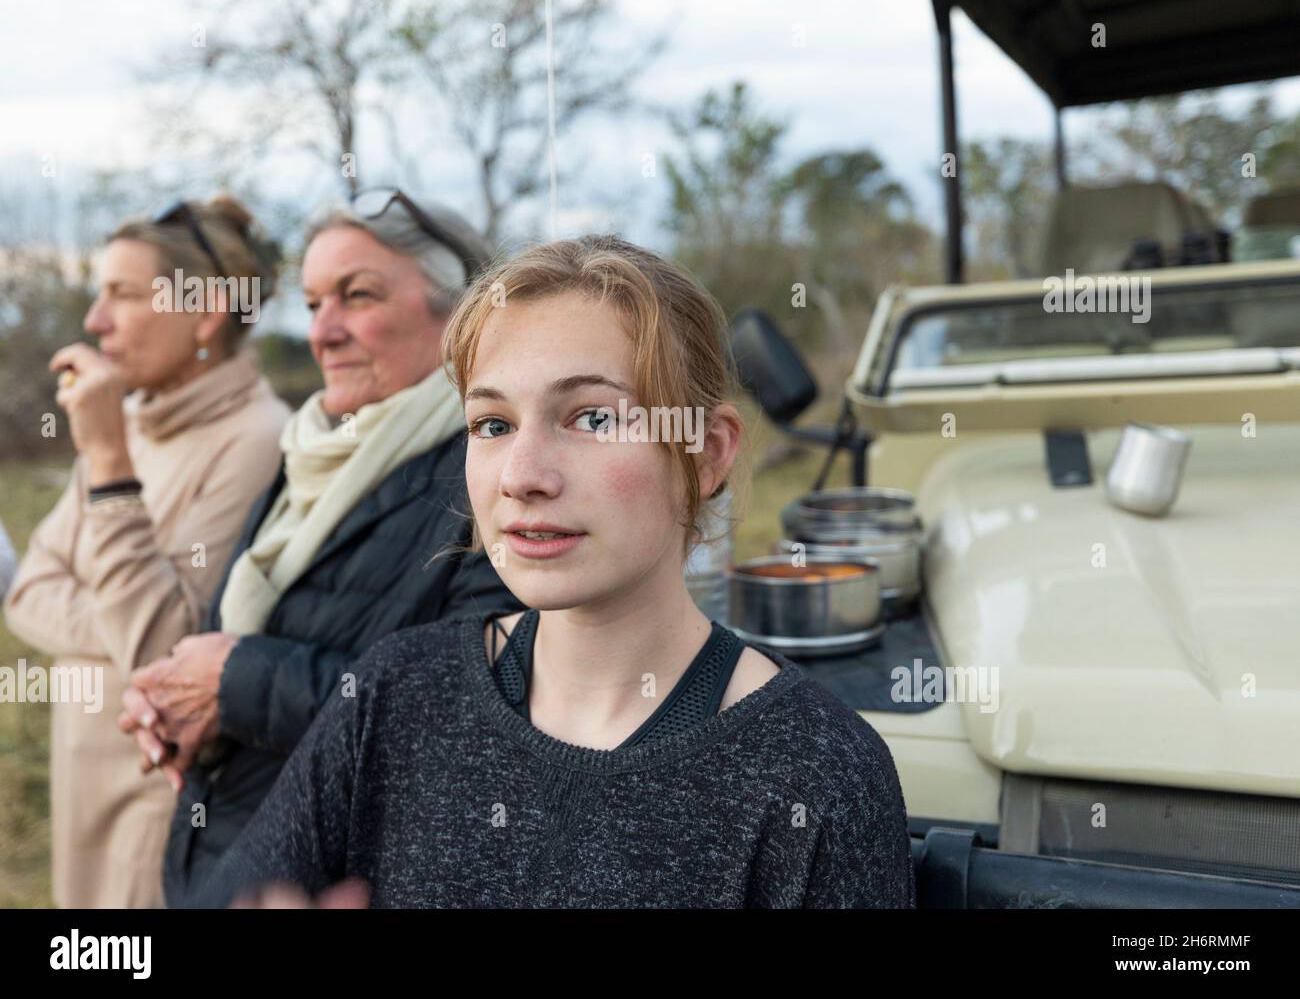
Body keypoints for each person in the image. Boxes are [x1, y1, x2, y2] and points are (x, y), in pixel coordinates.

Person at [187, 234, 917, 909]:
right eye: (493, 425)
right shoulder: (392, 699)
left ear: (707, 453)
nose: (522, 476)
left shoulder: (816, 772)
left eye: (592, 418)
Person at [117, 190, 523, 907]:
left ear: (459, 316)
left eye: (356, 296)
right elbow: (239, 638)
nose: (323, 332)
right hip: (223, 859)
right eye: (310, 305)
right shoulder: (313, 452)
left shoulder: (495, 474)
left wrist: (233, 684)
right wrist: (177, 706)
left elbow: (470, 718)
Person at [3, 196, 289, 908]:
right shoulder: (128, 418)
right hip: (81, 788)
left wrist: (106, 460)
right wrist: (128, 622)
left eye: (123, 295)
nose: (95, 322)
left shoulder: (257, 440)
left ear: (207, 311)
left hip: (161, 808)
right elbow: (27, 592)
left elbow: (166, 641)